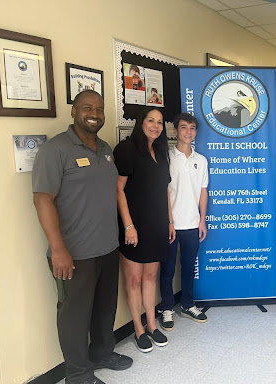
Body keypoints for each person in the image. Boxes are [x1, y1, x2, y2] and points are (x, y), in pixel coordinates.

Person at [32, 90, 132, 384]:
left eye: (100, 109)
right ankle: (78, 375)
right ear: (73, 111)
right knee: (74, 317)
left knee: (104, 308)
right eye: (87, 107)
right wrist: (58, 249)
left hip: (107, 247)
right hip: (73, 254)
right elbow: (42, 200)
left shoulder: (105, 149)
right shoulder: (56, 150)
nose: (95, 113)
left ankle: (102, 352)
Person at [113, 107, 174, 353]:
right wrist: (128, 226)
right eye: (151, 120)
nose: (155, 126)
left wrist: (170, 221)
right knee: (134, 279)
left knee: (150, 278)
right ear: (141, 123)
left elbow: (165, 191)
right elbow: (118, 190)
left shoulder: (161, 151)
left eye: (159, 122)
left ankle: (151, 324)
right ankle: (138, 329)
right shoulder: (126, 150)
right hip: (134, 227)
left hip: (157, 225)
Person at [159, 113, 209, 330]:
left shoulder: (201, 160)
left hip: (192, 223)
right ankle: (167, 307)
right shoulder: (166, 158)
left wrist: (202, 221)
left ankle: (188, 304)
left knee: (189, 268)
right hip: (170, 224)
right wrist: (169, 221)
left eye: (192, 128)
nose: (188, 132)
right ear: (175, 131)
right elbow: (163, 192)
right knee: (167, 269)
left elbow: (203, 192)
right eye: (183, 127)